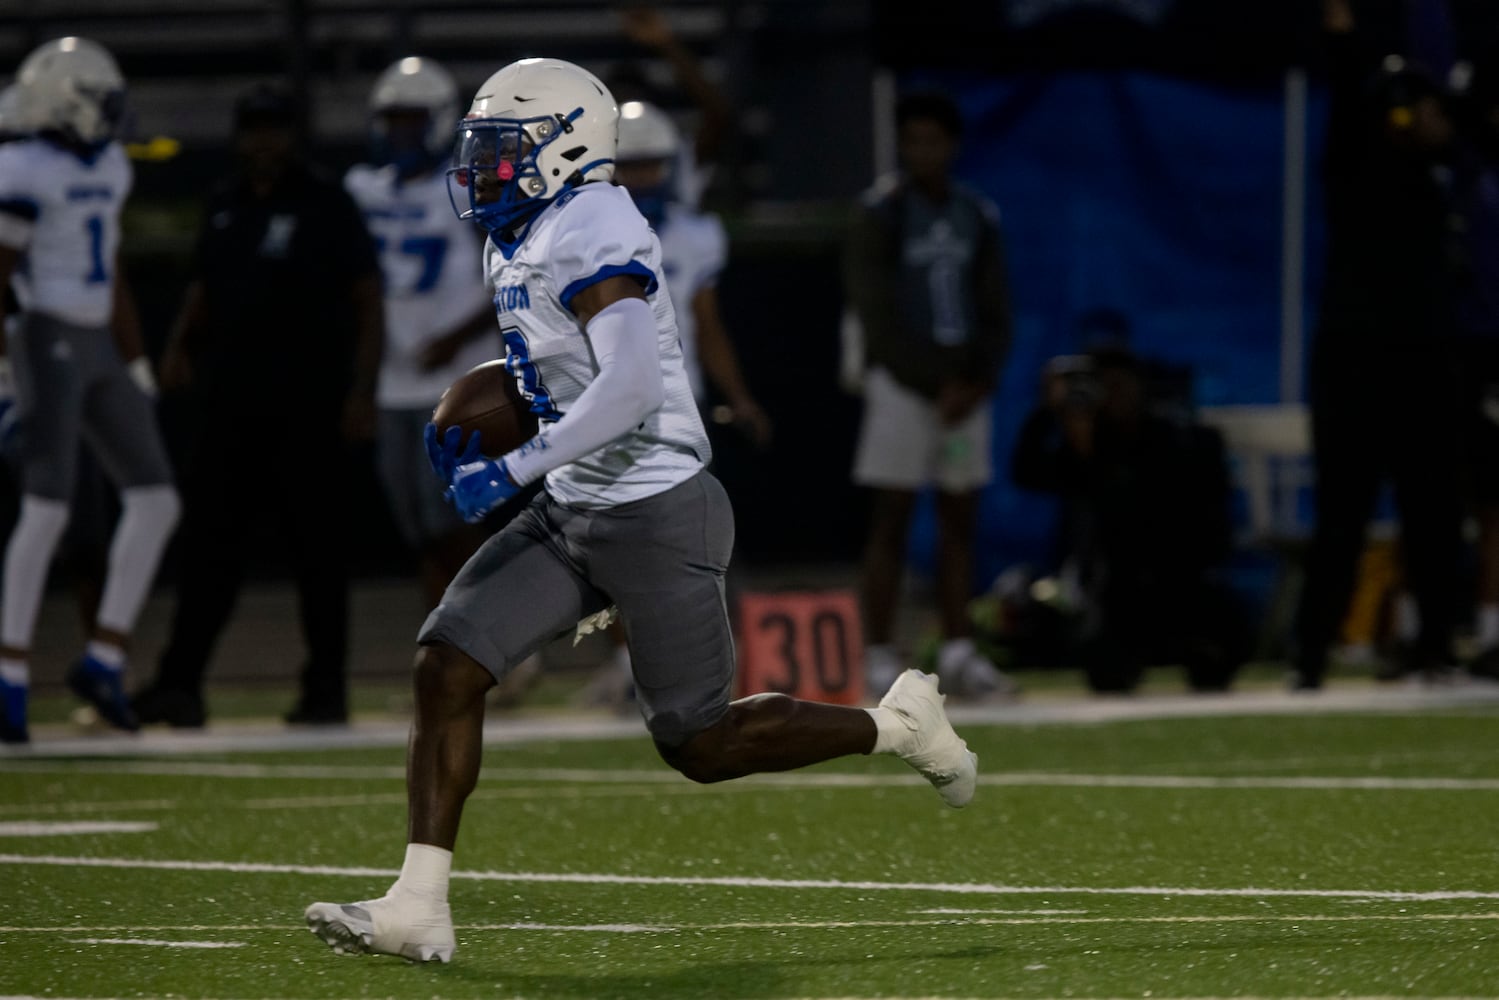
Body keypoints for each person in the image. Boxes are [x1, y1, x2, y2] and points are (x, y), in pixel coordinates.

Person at [303, 57, 978, 964]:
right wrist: (486, 403)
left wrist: (513, 469)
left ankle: (896, 726)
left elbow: (626, 386)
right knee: (446, 663)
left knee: (698, 742)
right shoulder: (521, 229)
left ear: (564, 149)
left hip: (657, 506)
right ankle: (418, 905)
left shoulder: (592, 219)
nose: (486, 168)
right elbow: (562, 371)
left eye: (505, 150)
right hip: (576, 506)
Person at [129, 83, 385, 728]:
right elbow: (204, 286)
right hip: (231, 404)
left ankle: (326, 690)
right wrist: (179, 346)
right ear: (240, 136)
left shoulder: (327, 202)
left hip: (311, 403)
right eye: (253, 128)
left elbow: (368, 299)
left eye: (273, 127)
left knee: (318, 554)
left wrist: (362, 390)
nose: (263, 140)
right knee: (209, 551)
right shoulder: (223, 203)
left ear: (292, 134)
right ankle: (179, 684)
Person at [0, 37, 182, 745]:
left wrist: (134, 362)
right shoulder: (19, 166)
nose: (111, 115)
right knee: (46, 508)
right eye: (100, 101)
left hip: (98, 339)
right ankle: (9, 673)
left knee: (158, 499)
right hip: (43, 336)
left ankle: (104, 656)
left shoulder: (107, 163)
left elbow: (113, 271)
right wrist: (9, 374)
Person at [1290, 0, 1466, 690]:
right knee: (1343, 513)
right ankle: (1309, 654)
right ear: (1396, 113)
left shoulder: (1441, 177)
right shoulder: (1360, 169)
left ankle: (1434, 647)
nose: (1436, 120)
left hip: (1425, 360)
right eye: (1423, 109)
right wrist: (1343, 47)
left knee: (1434, 513)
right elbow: (1347, 112)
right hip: (1356, 363)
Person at [577, 98, 771, 707]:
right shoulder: (581, 232)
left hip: (676, 406)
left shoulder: (695, 234)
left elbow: (708, 326)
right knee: (606, 537)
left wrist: (738, 396)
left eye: (653, 165)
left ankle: (692, 664)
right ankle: (621, 660)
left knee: (685, 540)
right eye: (630, 166)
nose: (643, 179)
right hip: (608, 401)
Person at [842, 90, 1015, 700]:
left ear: (953, 145)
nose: (923, 152)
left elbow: (996, 309)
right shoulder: (882, 213)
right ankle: (880, 653)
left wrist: (976, 382)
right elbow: (877, 315)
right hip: (903, 390)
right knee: (891, 518)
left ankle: (960, 649)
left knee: (959, 519)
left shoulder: (976, 214)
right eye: (913, 140)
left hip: (962, 395)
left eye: (934, 140)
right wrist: (933, 383)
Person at [345, 57, 499, 611]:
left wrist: (460, 335)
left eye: (412, 119)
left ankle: (500, 638)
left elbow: (517, 271)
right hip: (393, 382)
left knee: (452, 521)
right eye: (393, 120)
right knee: (417, 529)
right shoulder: (362, 188)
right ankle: (450, 646)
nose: (401, 132)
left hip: (459, 381)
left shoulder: (467, 188)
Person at [1011, 343, 1248, 694]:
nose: (1112, 396)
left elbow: (1178, 508)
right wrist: (1049, 411)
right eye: (1102, 387)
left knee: (1217, 644)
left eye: (1120, 385)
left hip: (1181, 581)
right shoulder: (1085, 447)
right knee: (1104, 663)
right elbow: (1028, 473)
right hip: (1118, 593)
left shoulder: (1174, 439)